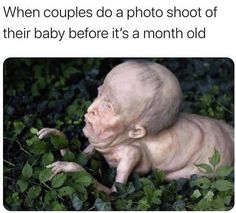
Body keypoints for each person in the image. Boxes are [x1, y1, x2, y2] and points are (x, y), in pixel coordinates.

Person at [37, 60, 234, 194]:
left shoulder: (129, 153)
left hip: (212, 152)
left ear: (136, 132)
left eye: (107, 106)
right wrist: (62, 144)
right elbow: (88, 154)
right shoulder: (114, 137)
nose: (90, 108)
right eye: (99, 94)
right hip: (204, 131)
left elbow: (114, 194)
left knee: (174, 174)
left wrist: (76, 170)